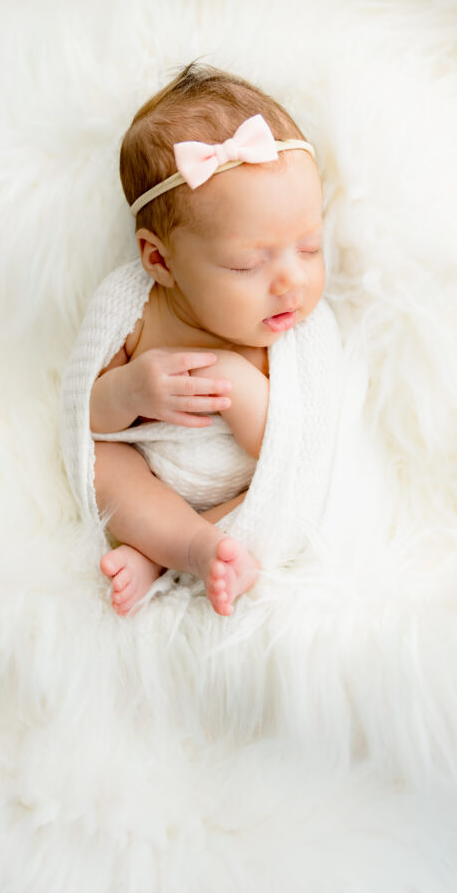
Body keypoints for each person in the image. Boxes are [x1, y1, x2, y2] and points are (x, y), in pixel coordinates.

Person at [89, 63, 325, 617]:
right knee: (104, 465)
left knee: (289, 493)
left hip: (244, 491)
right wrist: (129, 391)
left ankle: (162, 556)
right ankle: (188, 546)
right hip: (154, 478)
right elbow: (87, 418)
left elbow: (295, 447)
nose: (291, 280)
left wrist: (239, 385)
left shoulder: (297, 330)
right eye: (246, 264)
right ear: (160, 260)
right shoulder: (133, 309)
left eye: (310, 247)